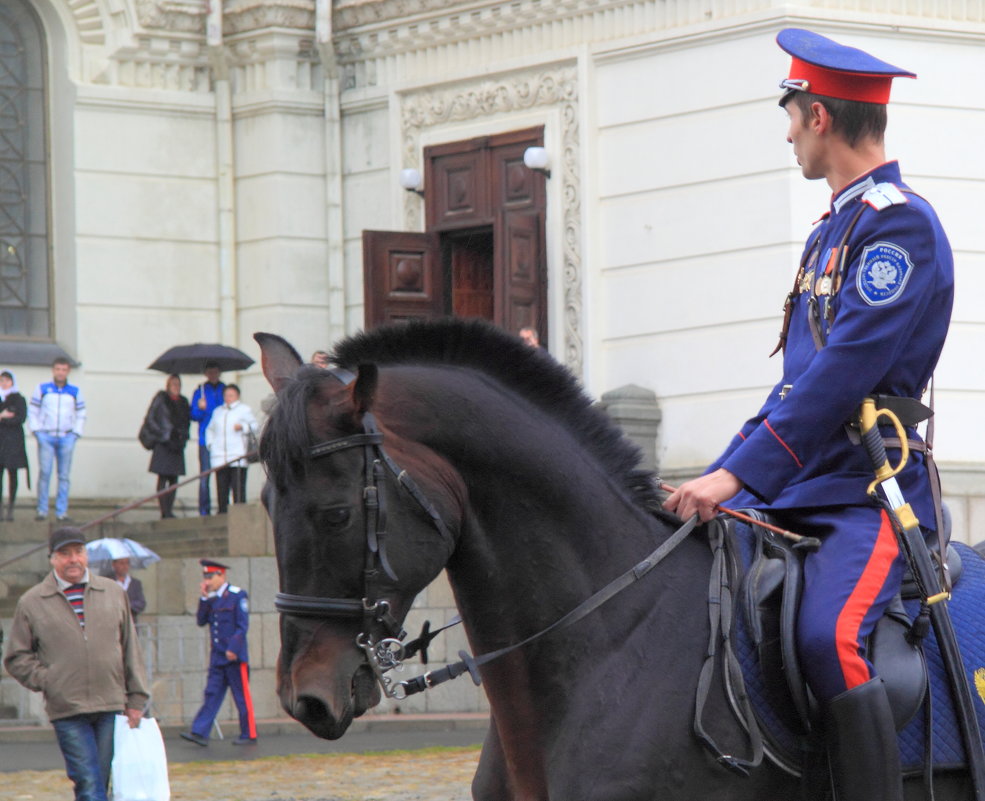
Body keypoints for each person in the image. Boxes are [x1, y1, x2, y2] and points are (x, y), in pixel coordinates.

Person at [662, 29, 953, 801]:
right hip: (793, 487)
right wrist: (722, 471)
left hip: (864, 494)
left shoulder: (899, 226)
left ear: (820, 115)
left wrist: (736, 474)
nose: (786, 129)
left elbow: (840, 377)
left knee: (829, 639)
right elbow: (792, 384)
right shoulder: (832, 230)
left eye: (791, 112)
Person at [4, 527, 148, 801]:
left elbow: (131, 647)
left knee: (102, 782)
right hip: (68, 708)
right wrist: (50, 679)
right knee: (87, 782)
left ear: (87, 555)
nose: (73, 560)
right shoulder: (32, 602)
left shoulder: (113, 592)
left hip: (111, 705)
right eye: (65, 554)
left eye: (79, 552)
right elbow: (16, 657)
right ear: (52, 559)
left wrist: (137, 699)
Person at [180, 559, 256, 746]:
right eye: (205, 577)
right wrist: (204, 597)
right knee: (212, 693)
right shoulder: (212, 599)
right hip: (217, 656)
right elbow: (201, 621)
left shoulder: (237, 595)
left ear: (222, 575)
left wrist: (233, 648)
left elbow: (242, 626)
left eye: (211, 576)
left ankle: (249, 734)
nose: (208, 581)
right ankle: (199, 732)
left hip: (234, 656)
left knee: (241, 697)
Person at [29, 357, 86, 521]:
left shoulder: (74, 391)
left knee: (64, 476)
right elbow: (33, 410)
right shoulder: (43, 389)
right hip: (46, 436)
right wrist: (37, 431)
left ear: (67, 371)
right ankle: (42, 510)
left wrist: (76, 433)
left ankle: (61, 512)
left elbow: (81, 413)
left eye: (63, 369)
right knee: (45, 473)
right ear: (53, 370)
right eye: (58, 369)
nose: (60, 372)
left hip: (66, 436)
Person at [142, 374, 191, 518]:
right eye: (173, 384)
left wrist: (183, 435)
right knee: (163, 478)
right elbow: (150, 419)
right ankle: (164, 511)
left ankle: (170, 509)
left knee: (174, 479)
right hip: (163, 443)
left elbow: (186, 421)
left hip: (177, 444)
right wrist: (163, 433)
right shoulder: (161, 399)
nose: (176, 387)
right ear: (168, 385)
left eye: (178, 384)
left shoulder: (183, 401)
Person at [205, 385, 257, 514]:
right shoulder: (218, 411)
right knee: (222, 488)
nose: (228, 398)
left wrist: (243, 426)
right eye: (226, 395)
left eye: (231, 395)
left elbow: (255, 426)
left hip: (237, 455)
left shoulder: (244, 410)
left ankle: (240, 515)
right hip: (220, 456)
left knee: (238, 488)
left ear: (237, 396)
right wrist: (211, 444)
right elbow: (210, 429)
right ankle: (222, 512)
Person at [189, 361, 225, 516]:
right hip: (205, 440)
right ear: (206, 374)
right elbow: (193, 415)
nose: (213, 374)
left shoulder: (225, 389)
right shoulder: (200, 391)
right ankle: (204, 510)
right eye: (210, 372)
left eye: (215, 371)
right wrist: (200, 408)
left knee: (222, 476)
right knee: (205, 476)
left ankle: (223, 507)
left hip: (222, 439)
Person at [0, 369, 29, 521]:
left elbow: (21, 417)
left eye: (6, 380)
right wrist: (3, 416)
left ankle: (11, 506)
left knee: (13, 474)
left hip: (13, 442)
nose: (4, 383)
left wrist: (4, 420)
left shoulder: (18, 398)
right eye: (1, 380)